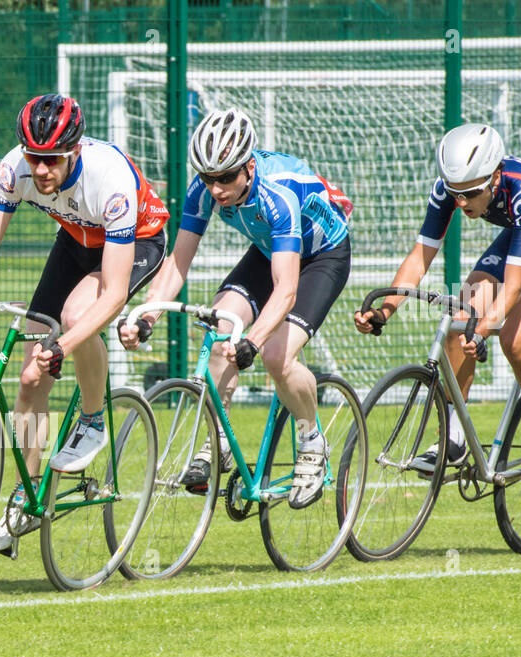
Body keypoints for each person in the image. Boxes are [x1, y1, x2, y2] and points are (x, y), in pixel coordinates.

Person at [0, 93, 169, 555]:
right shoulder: (15, 170)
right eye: (35, 158)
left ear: (74, 151)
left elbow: (111, 295)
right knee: (30, 378)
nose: (41, 170)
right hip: (75, 242)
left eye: (51, 160)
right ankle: (25, 499)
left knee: (74, 316)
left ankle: (92, 418)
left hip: (137, 243)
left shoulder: (108, 179)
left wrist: (65, 345)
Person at [121, 106, 353, 507]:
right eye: (209, 178)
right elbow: (178, 261)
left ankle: (312, 440)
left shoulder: (277, 195)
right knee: (217, 330)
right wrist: (147, 315)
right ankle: (220, 443)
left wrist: (254, 342)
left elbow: (286, 291)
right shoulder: (203, 189)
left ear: (248, 167)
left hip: (323, 256)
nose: (216, 189)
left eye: (226, 177)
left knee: (277, 356)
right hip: (269, 251)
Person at [354, 123, 521, 482]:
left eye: (470, 193)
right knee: (460, 317)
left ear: (496, 175)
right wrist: (385, 310)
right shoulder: (451, 189)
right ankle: (454, 439)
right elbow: (419, 259)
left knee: (513, 339)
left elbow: (514, 284)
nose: (461, 203)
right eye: (455, 193)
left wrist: (485, 329)